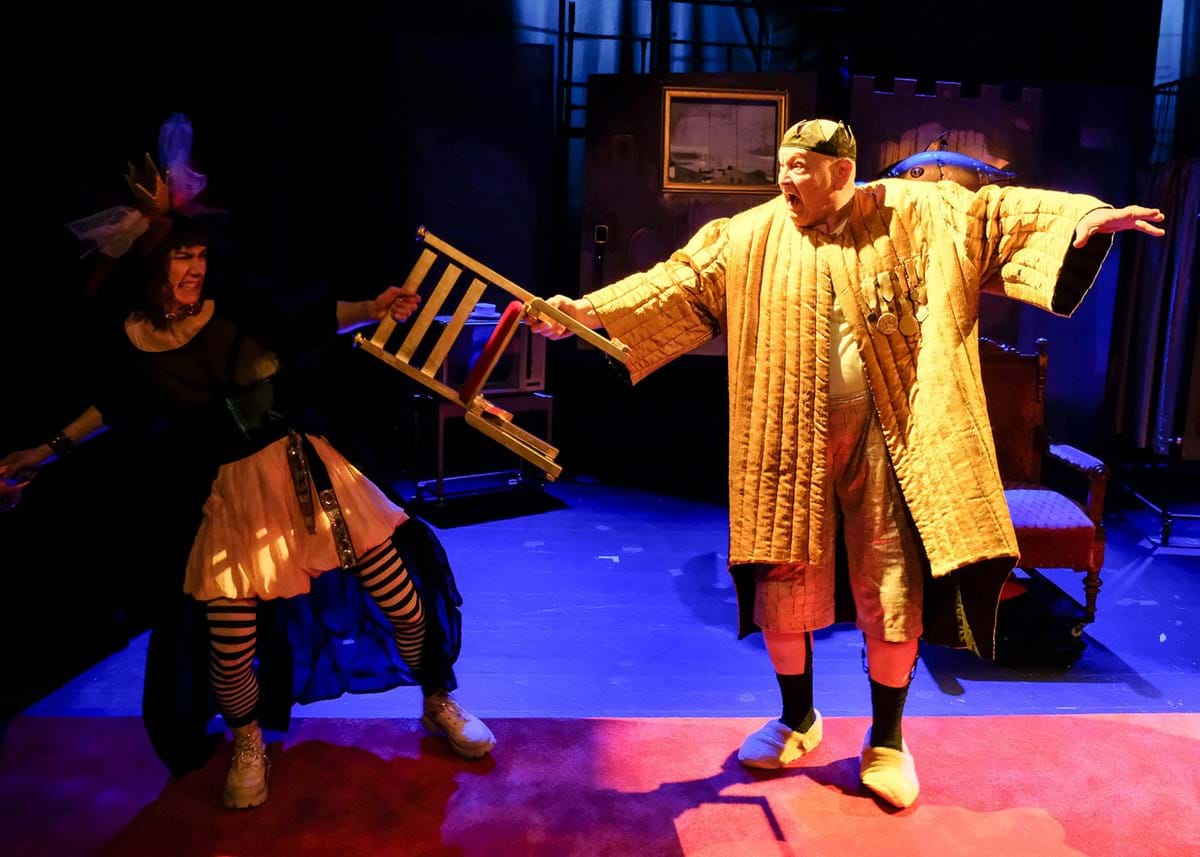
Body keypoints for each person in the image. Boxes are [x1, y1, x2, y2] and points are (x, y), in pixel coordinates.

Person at [531, 118, 1164, 808]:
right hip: (784, 428)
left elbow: (1000, 215)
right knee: (781, 576)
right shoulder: (749, 235)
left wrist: (1084, 218)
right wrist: (586, 312)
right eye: (782, 165)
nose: (785, 179)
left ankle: (887, 740)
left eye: (800, 167)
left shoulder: (920, 211)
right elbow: (676, 284)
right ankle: (795, 718)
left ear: (841, 172)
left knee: (893, 582)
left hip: (891, 427)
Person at [0, 114, 495, 810]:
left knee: (403, 600)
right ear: (151, 267)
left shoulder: (234, 308)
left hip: (309, 473)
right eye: (182, 258)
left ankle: (438, 699)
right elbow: (112, 406)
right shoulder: (134, 342)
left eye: (200, 257)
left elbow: (311, 315)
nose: (195, 269)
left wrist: (375, 305)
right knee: (228, 645)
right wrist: (45, 450)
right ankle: (247, 741)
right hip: (231, 497)